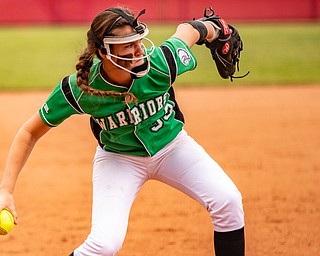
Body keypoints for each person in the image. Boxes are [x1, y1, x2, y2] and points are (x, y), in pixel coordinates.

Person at [0, 6, 245, 256]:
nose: (138, 50)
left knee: (228, 201)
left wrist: (215, 30)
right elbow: (30, 131)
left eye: (138, 40)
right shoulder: (80, 88)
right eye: (127, 45)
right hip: (119, 160)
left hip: (173, 147)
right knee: (104, 245)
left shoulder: (161, 63)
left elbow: (189, 30)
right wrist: (6, 191)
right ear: (103, 53)